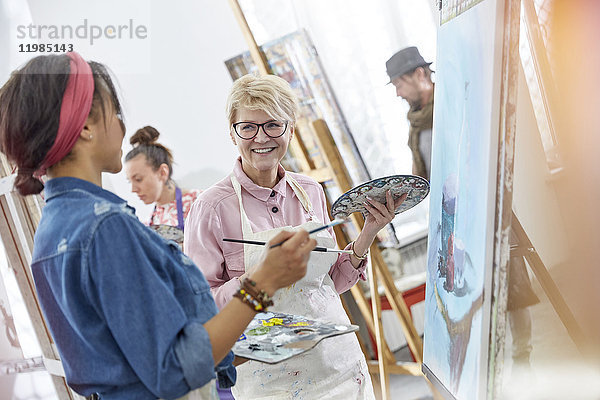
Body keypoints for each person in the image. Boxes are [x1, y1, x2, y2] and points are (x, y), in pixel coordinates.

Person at [0, 52, 316, 399]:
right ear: (86, 125)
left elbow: (129, 355)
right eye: (115, 113)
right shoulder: (105, 229)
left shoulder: (55, 226)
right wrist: (262, 281)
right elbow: (174, 367)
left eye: (273, 125)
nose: (122, 126)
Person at [185, 74, 407, 399]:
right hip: (270, 381)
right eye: (247, 127)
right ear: (232, 134)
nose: (261, 137)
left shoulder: (310, 191)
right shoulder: (211, 208)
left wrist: (368, 232)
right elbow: (199, 306)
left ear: (290, 128)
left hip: (341, 365)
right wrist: (263, 276)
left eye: (273, 124)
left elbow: (327, 281)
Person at [125, 126, 201, 245]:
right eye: (130, 181)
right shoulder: (149, 223)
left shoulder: (200, 203)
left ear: (162, 172)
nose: (133, 189)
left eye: (138, 179)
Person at [385, 46, 434, 180]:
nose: (398, 94)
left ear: (419, 74)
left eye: (399, 85)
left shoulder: (450, 105)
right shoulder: (416, 121)